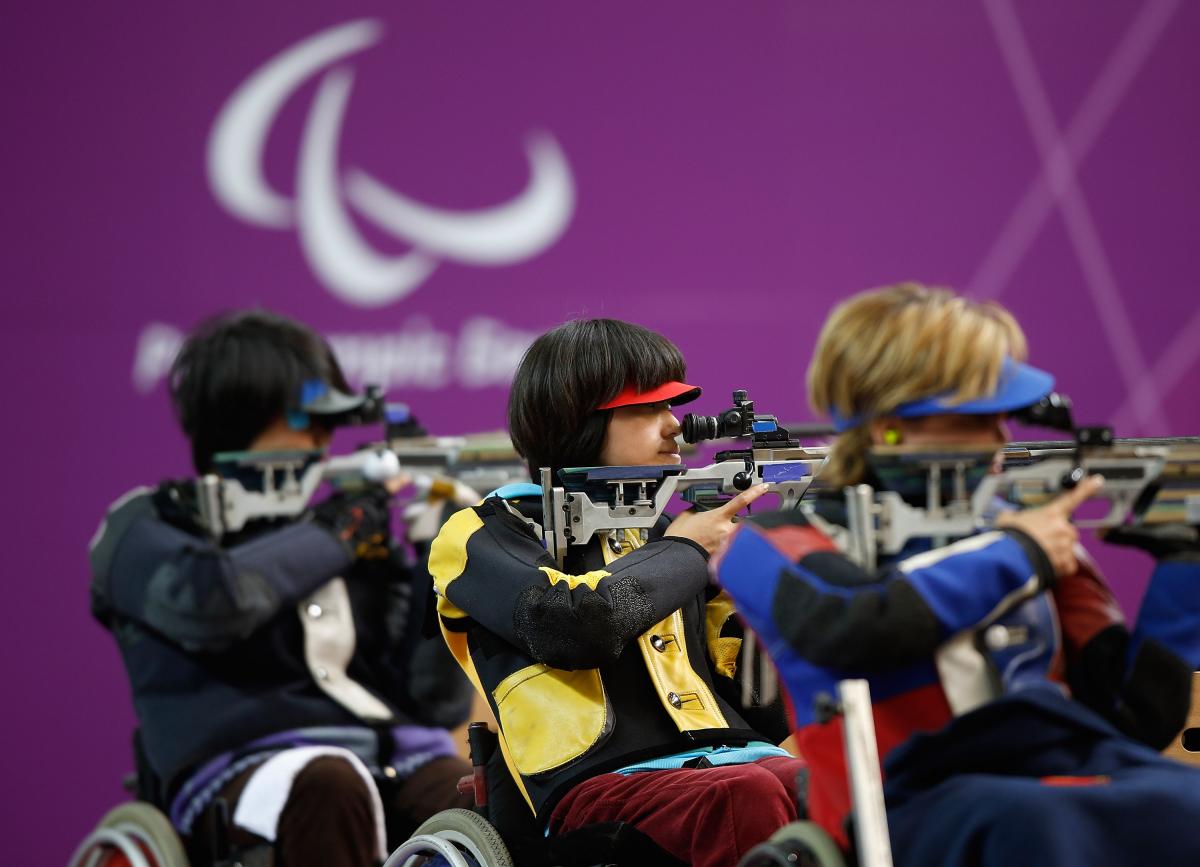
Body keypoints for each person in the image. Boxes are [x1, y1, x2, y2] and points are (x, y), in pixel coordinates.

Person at [713, 283, 1200, 866]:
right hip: (908, 808)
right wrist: (1019, 553)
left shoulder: (1021, 533)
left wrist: (1183, 568)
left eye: (1002, 416)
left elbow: (1133, 718)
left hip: (1055, 778)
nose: (1001, 439)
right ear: (889, 426)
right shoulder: (772, 543)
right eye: (976, 418)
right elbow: (847, 627)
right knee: (1033, 823)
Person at [90, 310, 473, 867]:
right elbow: (212, 602)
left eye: (327, 423)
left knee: (474, 799)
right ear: (241, 413)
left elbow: (433, 702)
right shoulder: (147, 525)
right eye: (305, 419)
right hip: (242, 770)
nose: (323, 438)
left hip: (398, 755)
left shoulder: (345, 529)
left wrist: (441, 567)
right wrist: (338, 533)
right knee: (329, 782)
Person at [427, 318, 807, 867]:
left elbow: (751, 692)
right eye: (648, 408)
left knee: (839, 784)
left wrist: (764, 584)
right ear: (575, 418)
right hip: (596, 785)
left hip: (734, 756)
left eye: (672, 407)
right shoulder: (483, 532)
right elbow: (572, 625)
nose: (675, 426)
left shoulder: (672, 531)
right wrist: (689, 554)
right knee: (742, 795)